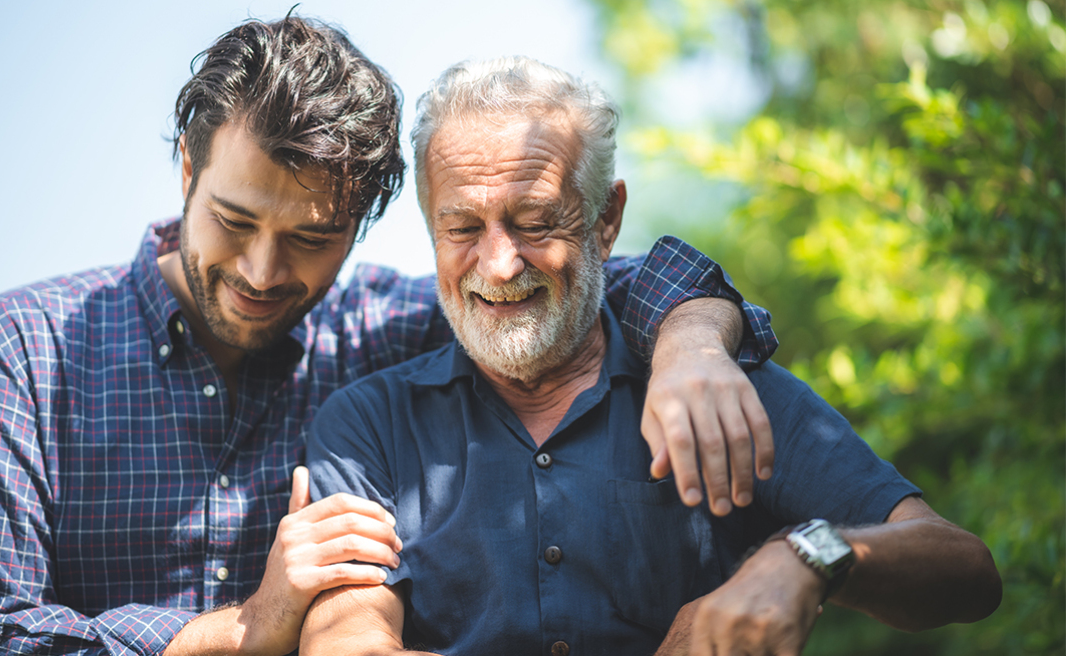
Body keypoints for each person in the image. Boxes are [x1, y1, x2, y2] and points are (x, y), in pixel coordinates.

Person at [0, 15, 780, 656]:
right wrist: (237, 630)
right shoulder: (24, 349)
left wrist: (693, 343)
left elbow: (575, 280)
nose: (262, 272)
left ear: (363, 225)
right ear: (188, 169)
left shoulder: (387, 328)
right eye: (232, 220)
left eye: (309, 239)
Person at [300, 56, 1003, 656]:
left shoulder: (715, 388)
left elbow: (966, 570)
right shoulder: (368, 423)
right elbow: (344, 639)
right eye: (461, 226)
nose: (499, 263)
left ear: (606, 220)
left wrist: (806, 556)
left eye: (536, 222)